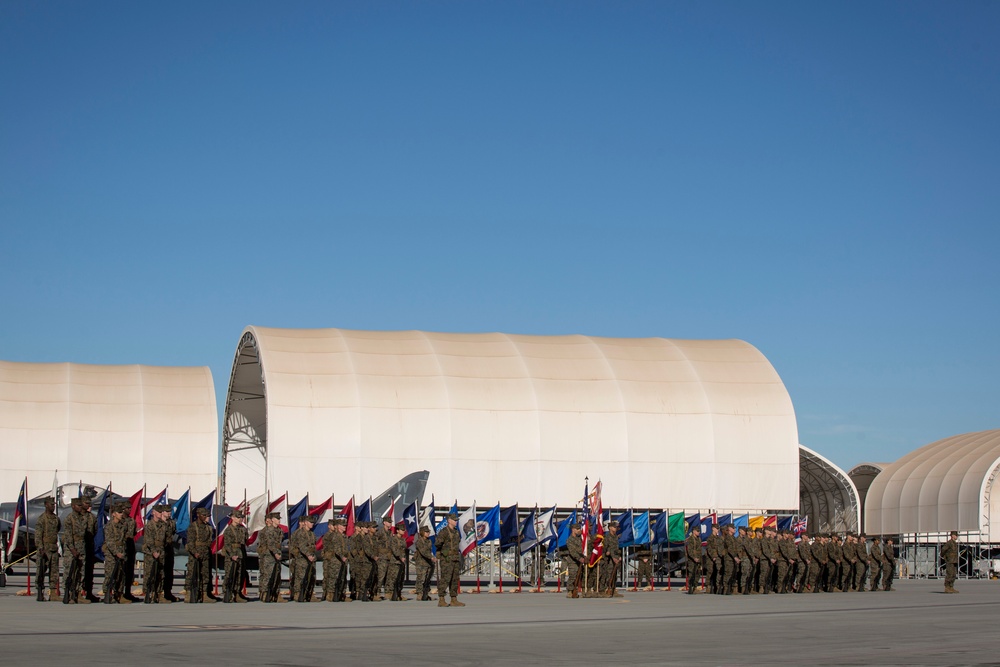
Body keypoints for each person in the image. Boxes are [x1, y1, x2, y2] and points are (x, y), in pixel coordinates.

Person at [61, 498, 89, 604]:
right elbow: (68, 536)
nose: (80, 507)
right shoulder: (69, 519)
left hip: (81, 548)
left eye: (80, 505)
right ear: (73, 506)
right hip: (71, 550)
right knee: (69, 571)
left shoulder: (83, 518)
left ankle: (76, 593)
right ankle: (67, 592)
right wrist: (72, 549)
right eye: (78, 505)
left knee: (80, 572)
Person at [185, 507, 216, 603]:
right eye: (205, 516)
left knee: (205, 574)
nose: (207, 518)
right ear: (199, 515)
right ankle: (189, 594)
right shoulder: (193, 527)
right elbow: (190, 542)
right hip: (195, 554)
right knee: (192, 574)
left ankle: (204, 594)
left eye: (208, 516)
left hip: (205, 553)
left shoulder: (208, 527)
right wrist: (194, 552)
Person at [143, 505, 171, 603]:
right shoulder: (149, 525)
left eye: (160, 512)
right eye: (158, 512)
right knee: (149, 573)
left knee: (160, 574)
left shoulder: (163, 525)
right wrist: (154, 551)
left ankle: (159, 593)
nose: (160, 514)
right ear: (153, 512)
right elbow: (149, 540)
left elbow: (166, 538)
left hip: (161, 551)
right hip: (151, 553)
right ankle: (148, 593)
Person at [34, 496, 61, 602]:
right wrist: (40, 548)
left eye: (54, 504)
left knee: (54, 572)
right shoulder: (41, 519)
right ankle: (40, 592)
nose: (53, 506)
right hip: (44, 549)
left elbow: (57, 530)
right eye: (51, 504)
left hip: (53, 549)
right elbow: (38, 535)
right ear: (46, 505)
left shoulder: (56, 519)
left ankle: (53, 593)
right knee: (40, 571)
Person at [102, 505, 129, 603]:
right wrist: (116, 552)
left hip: (121, 552)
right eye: (119, 513)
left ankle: (119, 594)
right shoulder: (109, 526)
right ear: (113, 514)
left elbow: (124, 538)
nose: (121, 514)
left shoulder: (123, 525)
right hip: (111, 555)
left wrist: (122, 552)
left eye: (121, 512)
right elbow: (109, 542)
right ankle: (107, 593)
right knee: (110, 574)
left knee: (121, 575)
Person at [436, 512, 464, 607]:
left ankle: (454, 599)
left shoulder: (456, 532)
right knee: (445, 579)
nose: (456, 522)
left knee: (454, 579)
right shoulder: (444, 531)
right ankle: (441, 599)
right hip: (447, 559)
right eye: (454, 520)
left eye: (456, 520)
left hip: (455, 558)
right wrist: (445, 551)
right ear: (449, 521)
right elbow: (438, 543)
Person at [257, 511, 286, 603]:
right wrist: (276, 553)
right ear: (272, 520)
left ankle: (275, 594)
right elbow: (270, 544)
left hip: (277, 555)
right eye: (277, 519)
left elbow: (279, 542)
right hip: (269, 556)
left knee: (277, 575)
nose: (279, 521)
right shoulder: (269, 531)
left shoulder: (279, 530)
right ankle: (265, 593)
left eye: (279, 519)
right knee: (267, 575)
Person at [290, 514, 318, 602]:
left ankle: (308, 594)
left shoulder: (312, 534)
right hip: (302, 559)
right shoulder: (300, 533)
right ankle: (298, 594)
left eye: (313, 522)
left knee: (311, 577)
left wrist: (312, 556)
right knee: (300, 577)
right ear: (305, 523)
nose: (312, 524)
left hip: (311, 559)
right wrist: (308, 555)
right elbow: (302, 546)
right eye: (310, 522)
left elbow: (313, 546)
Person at [222, 509, 249, 603]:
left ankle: (237, 593)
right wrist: (232, 555)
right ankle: (227, 593)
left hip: (241, 553)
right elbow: (227, 544)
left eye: (241, 517)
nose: (240, 519)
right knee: (230, 574)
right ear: (233, 518)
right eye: (238, 517)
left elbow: (245, 541)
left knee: (240, 575)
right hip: (231, 555)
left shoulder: (242, 529)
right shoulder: (229, 530)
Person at [80, 496, 100, 603]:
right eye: (86, 503)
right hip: (79, 547)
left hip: (89, 546)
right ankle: (77, 592)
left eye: (89, 503)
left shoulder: (92, 517)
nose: (88, 505)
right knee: (79, 571)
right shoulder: (76, 517)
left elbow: (95, 530)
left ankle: (89, 592)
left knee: (89, 571)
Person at [414, 526, 436, 601]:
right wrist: (431, 557)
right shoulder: (419, 541)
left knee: (427, 579)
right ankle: (419, 594)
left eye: (428, 532)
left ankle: (425, 593)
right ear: (422, 532)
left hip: (428, 563)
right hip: (421, 563)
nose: (428, 533)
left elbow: (429, 550)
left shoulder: (429, 541)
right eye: (426, 532)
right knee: (421, 579)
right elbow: (423, 551)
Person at [602, 521, 622, 597]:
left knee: (614, 575)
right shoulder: (607, 537)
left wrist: (619, 555)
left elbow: (616, 549)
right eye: (614, 527)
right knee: (609, 574)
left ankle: (613, 590)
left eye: (616, 528)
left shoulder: (615, 537)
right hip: (609, 559)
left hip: (615, 558)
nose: (616, 529)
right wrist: (612, 556)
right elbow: (606, 549)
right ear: (610, 528)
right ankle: (607, 589)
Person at [565, 523, 585, 598]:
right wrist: (579, 558)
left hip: (581, 560)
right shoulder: (570, 540)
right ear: (573, 530)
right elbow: (572, 551)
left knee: (581, 576)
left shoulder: (580, 538)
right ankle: (570, 591)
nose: (580, 530)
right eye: (578, 529)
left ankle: (579, 590)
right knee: (573, 576)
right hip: (573, 561)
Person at [684, 524, 702, 594]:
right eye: (697, 531)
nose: (698, 532)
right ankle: (690, 587)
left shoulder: (699, 539)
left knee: (698, 574)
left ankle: (695, 587)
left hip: (698, 559)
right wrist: (694, 558)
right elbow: (690, 550)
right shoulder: (691, 539)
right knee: (692, 574)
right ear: (694, 531)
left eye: (699, 531)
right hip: (692, 560)